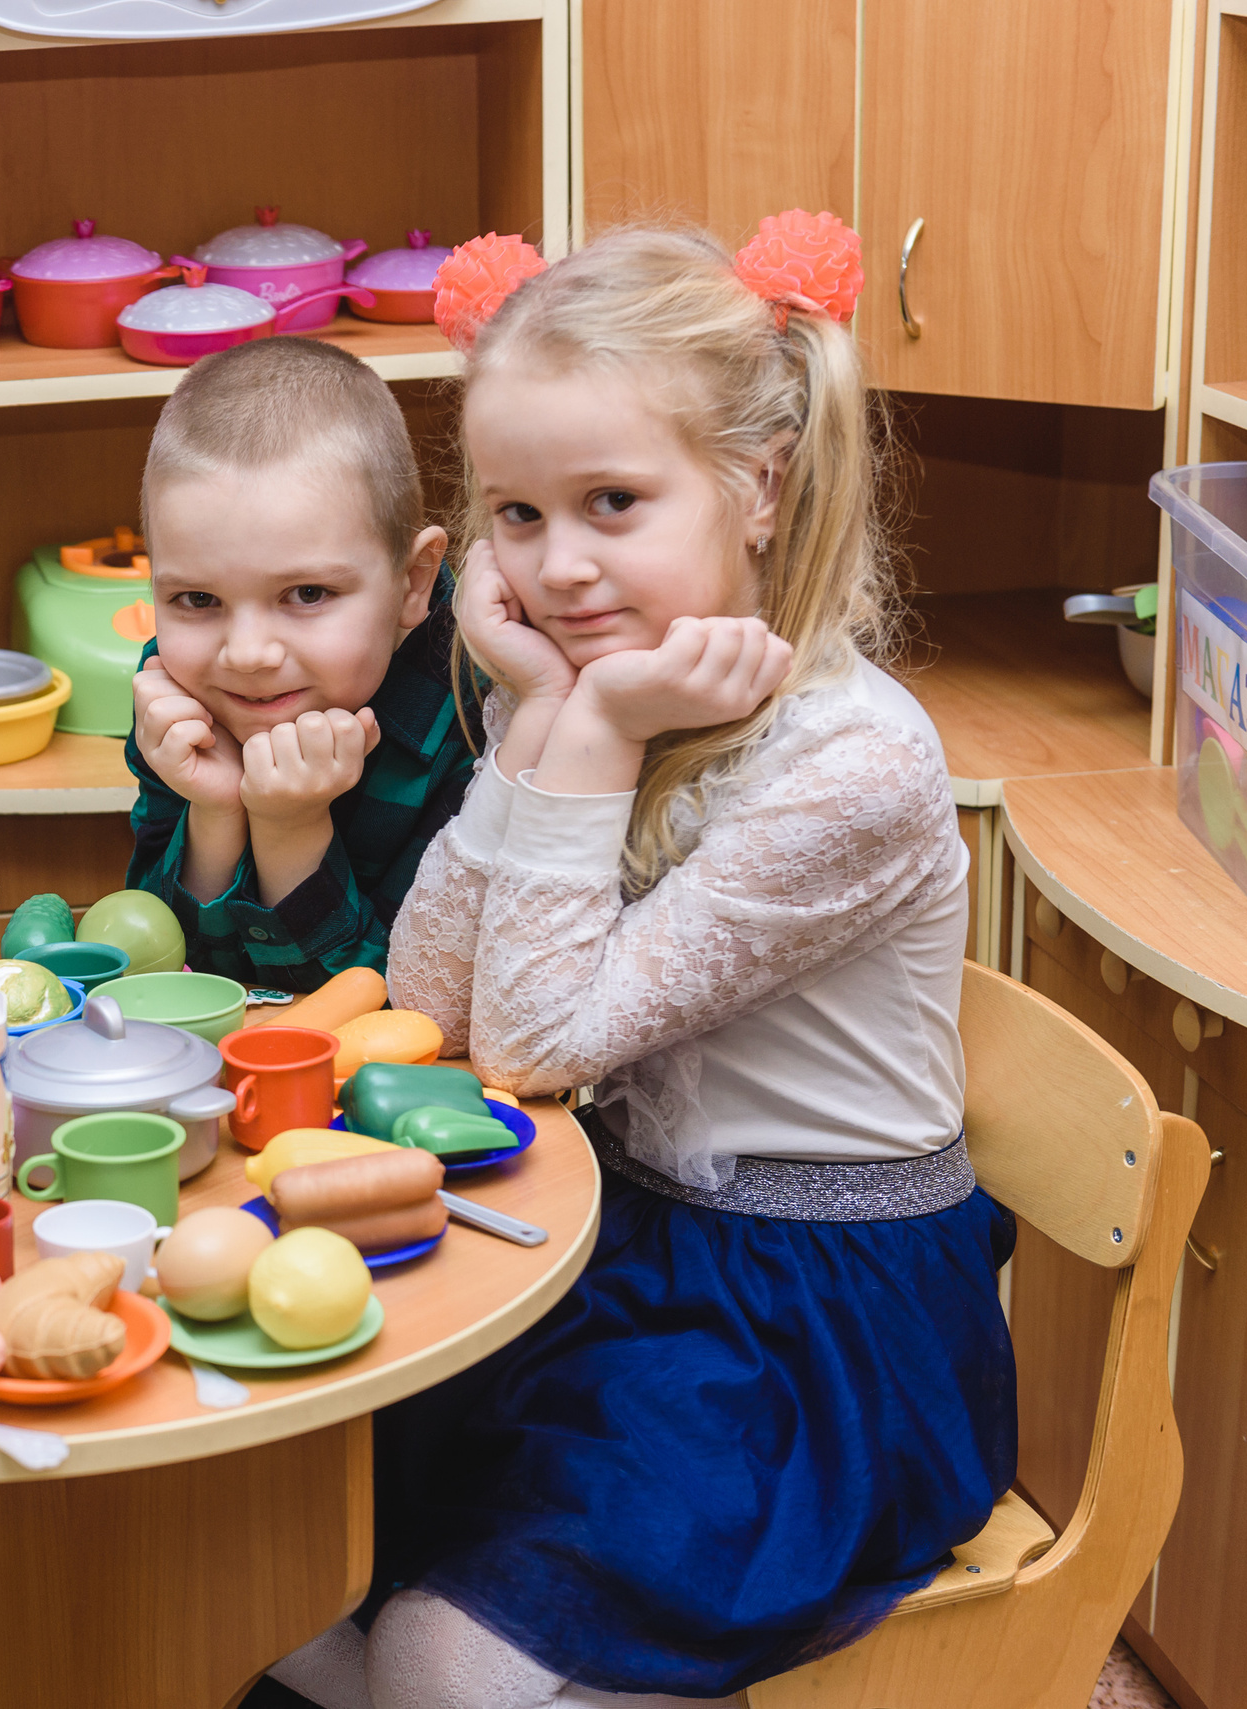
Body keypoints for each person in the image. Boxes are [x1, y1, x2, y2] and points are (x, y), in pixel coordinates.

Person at [272, 219, 1010, 1709]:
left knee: (433, 1658)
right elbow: (435, 1008)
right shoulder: (624, 683)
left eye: (612, 501)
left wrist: (580, 732)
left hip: (819, 1319)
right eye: (519, 515)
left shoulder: (850, 763)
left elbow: (535, 1047)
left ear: (760, 485)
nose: (557, 566)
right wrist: (540, 718)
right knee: (257, 1531)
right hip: (629, 1240)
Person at [123, 335, 475, 992]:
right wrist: (218, 813)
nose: (248, 654)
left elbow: (410, 1009)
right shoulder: (179, 693)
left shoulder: (478, 707)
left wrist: (290, 831)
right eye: (197, 598)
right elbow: (172, 971)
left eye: (307, 594)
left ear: (413, 582)